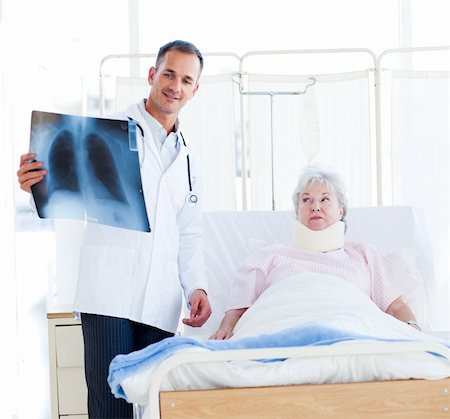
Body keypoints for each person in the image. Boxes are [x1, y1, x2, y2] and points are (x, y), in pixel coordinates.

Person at [17, 40, 212, 418]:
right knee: (109, 407)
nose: (176, 85)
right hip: (108, 294)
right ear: (153, 75)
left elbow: (189, 233)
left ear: (195, 90)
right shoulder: (109, 131)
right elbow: (66, 190)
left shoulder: (189, 160)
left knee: (154, 408)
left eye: (187, 80)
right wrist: (34, 186)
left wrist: (197, 286)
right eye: (169, 74)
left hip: (161, 300)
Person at [211, 165, 420, 340]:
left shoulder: (364, 254)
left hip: (351, 328)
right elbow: (238, 311)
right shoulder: (269, 256)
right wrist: (226, 329)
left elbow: (395, 308)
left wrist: (414, 331)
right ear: (297, 211)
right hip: (283, 327)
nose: (315, 207)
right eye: (306, 200)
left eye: (325, 199)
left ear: (341, 211)